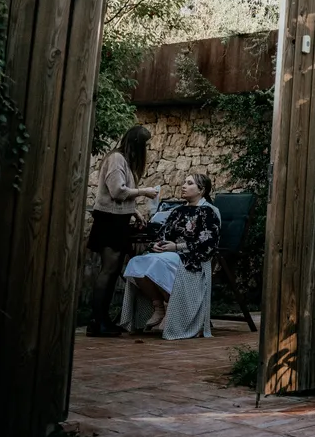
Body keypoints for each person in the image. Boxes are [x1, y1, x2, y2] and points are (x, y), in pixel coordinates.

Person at [120, 173, 221, 339]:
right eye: (184, 182)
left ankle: (171, 309)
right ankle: (159, 307)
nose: (183, 186)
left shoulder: (209, 211)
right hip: (170, 254)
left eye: (189, 183)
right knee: (136, 263)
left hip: (192, 258)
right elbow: (163, 233)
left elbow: (208, 243)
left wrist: (177, 247)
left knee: (157, 263)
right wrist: (157, 245)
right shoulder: (178, 211)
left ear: (201, 190)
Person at [87, 126, 158, 337]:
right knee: (108, 270)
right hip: (109, 221)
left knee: (113, 269)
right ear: (136, 144)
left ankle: (104, 319)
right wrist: (144, 192)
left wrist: (134, 211)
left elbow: (120, 195)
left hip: (118, 219)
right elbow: (117, 191)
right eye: (144, 145)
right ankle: (96, 321)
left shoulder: (123, 160)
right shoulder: (117, 159)